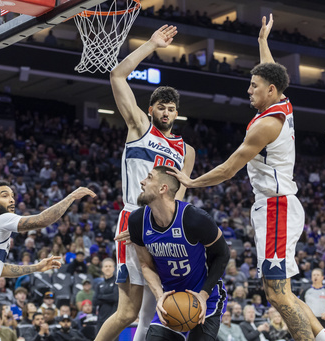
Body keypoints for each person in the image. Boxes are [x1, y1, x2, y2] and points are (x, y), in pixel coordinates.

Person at [168, 15, 325, 341]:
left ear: (270, 91)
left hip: (275, 207)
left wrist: (190, 182)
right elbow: (272, 73)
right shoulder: (282, 103)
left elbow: (229, 169)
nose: (248, 90)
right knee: (282, 290)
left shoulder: (265, 126)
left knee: (275, 294)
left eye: (253, 86)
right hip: (279, 204)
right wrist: (262, 42)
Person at [96, 24, 195, 341]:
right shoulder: (139, 126)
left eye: (171, 108)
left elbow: (182, 194)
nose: (166, 112)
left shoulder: (186, 150)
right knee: (127, 311)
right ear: (151, 109)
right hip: (133, 219)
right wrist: (151, 45)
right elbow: (116, 77)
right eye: (161, 107)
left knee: (160, 306)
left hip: (166, 227)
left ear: (176, 113)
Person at [0, 180, 95, 341]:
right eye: (5, 195)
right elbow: (41, 220)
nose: (11, 199)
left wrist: (36, 267)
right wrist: (71, 197)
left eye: (12, 195)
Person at [128, 166, 229, 340]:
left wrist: (203, 296)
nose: (142, 182)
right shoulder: (137, 221)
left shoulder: (194, 219)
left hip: (206, 297)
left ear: (162, 188)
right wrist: (160, 296)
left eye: (149, 178)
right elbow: (145, 265)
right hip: (171, 301)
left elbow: (223, 254)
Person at [93, 258, 118, 333]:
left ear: (114, 268)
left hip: (114, 318)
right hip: (101, 319)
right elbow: (94, 301)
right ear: (102, 269)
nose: (108, 268)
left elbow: (115, 297)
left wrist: (101, 296)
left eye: (110, 266)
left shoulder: (117, 282)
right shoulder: (99, 285)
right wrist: (108, 297)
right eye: (106, 266)